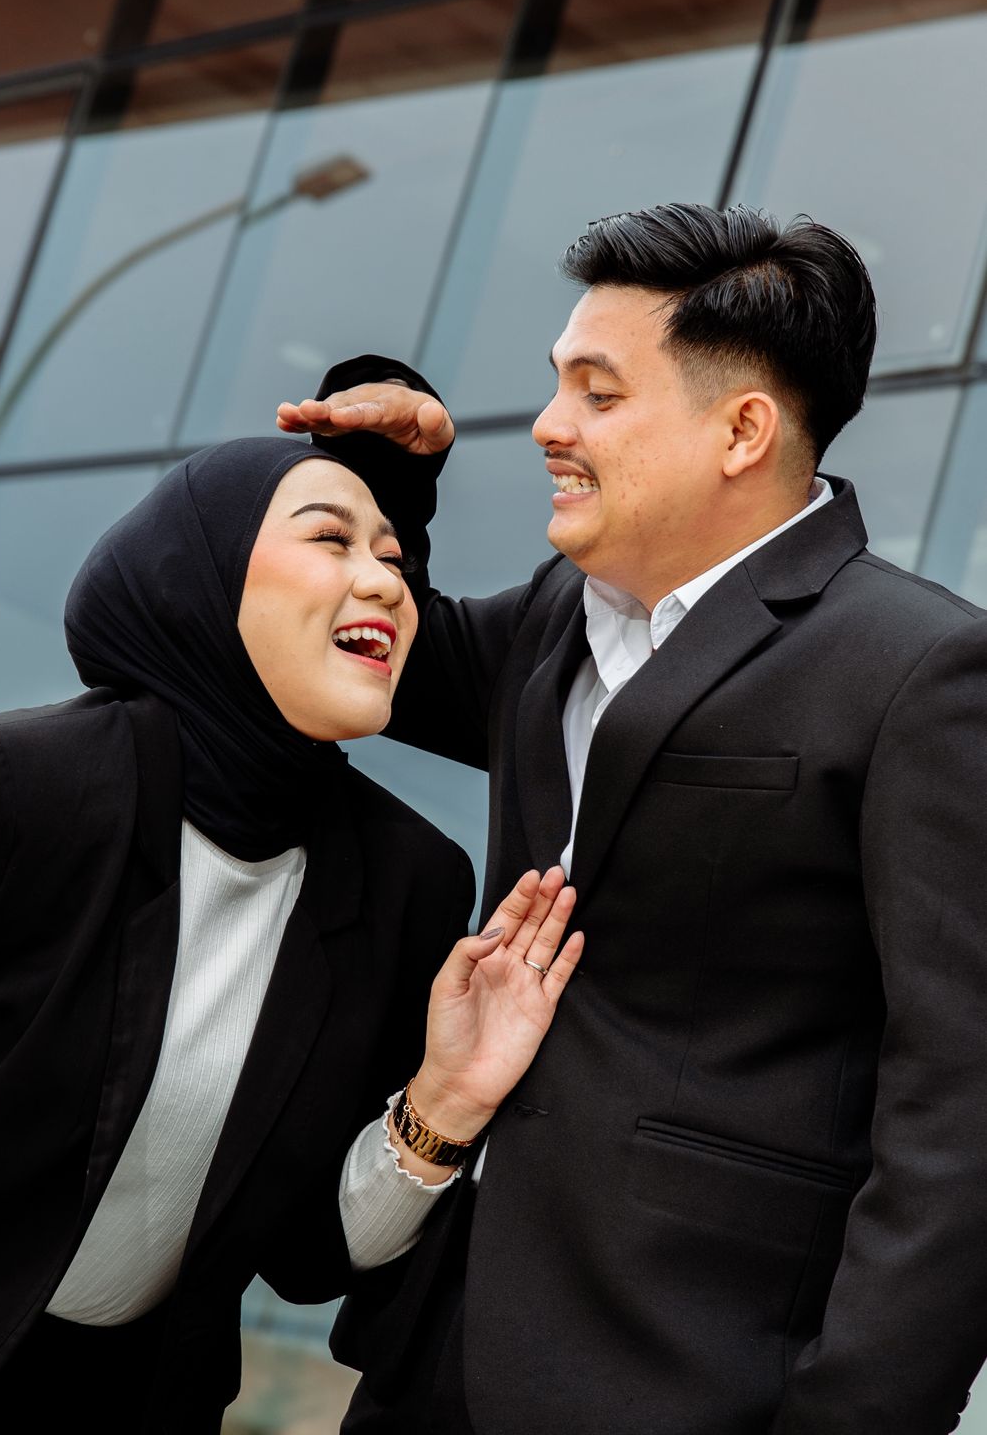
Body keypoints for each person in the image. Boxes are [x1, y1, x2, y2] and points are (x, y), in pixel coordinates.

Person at [279, 203, 987, 1435]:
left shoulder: (919, 670)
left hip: (689, 1381)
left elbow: (962, 1106)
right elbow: (365, 649)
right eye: (559, 383)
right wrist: (388, 474)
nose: (548, 425)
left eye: (597, 394)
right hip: (432, 1361)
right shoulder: (554, 617)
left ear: (742, 430)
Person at [0, 437, 582, 1435]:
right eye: (331, 539)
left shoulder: (408, 882)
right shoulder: (12, 791)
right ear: (201, 579)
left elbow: (310, 1254)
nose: (387, 582)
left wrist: (446, 1100)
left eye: (393, 558)